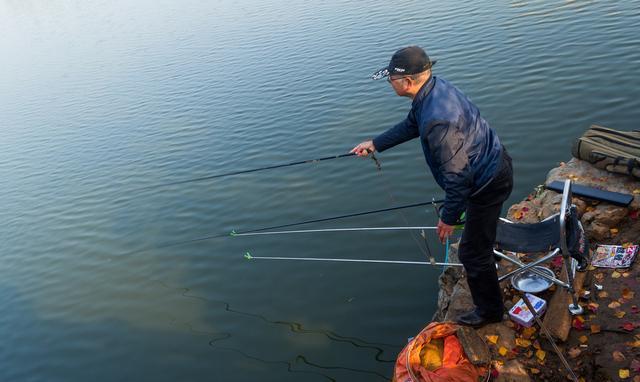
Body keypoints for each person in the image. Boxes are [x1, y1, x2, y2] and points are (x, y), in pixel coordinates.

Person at [351, 46, 513, 328]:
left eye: (391, 78)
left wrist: (448, 218)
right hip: (492, 166)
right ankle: (486, 254)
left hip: (486, 182)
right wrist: (376, 143)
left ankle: (490, 312)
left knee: (472, 254)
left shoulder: (438, 121)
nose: (389, 82)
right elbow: (412, 124)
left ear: (408, 82)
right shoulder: (435, 90)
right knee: (478, 241)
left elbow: (458, 176)